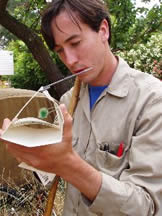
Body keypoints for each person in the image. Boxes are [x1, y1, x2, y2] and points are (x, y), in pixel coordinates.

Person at [1, 0, 162, 215]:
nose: (70, 60)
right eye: (60, 51)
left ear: (103, 30)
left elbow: (146, 207)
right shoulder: (69, 102)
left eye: (75, 43)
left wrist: (68, 165)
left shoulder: (151, 100)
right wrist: (35, 153)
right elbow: (53, 170)